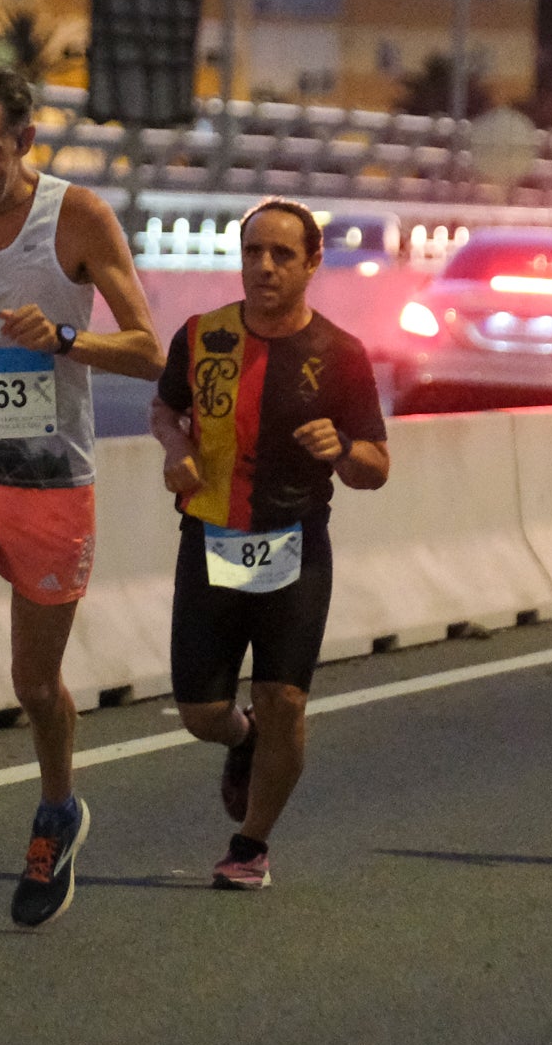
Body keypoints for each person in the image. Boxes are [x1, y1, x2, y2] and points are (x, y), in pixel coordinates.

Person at [0, 63, 163, 942]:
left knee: (34, 681)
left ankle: (55, 812)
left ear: (25, 142)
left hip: (49, 484)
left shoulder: (75, 218)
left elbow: (150, 348)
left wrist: (66, 337)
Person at [149, 199, 390, 889]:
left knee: (285, 699)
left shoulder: (339, 354)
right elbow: (165, 406)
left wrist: (342, 447)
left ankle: (250, 843)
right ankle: (241, 737)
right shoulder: (200, 335)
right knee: (199, 712)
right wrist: (174, 446)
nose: (264, 266)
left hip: (294, 546)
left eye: (282, 254)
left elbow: (375, 467)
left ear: (313, 263)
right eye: (253, 251)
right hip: (211, 541)